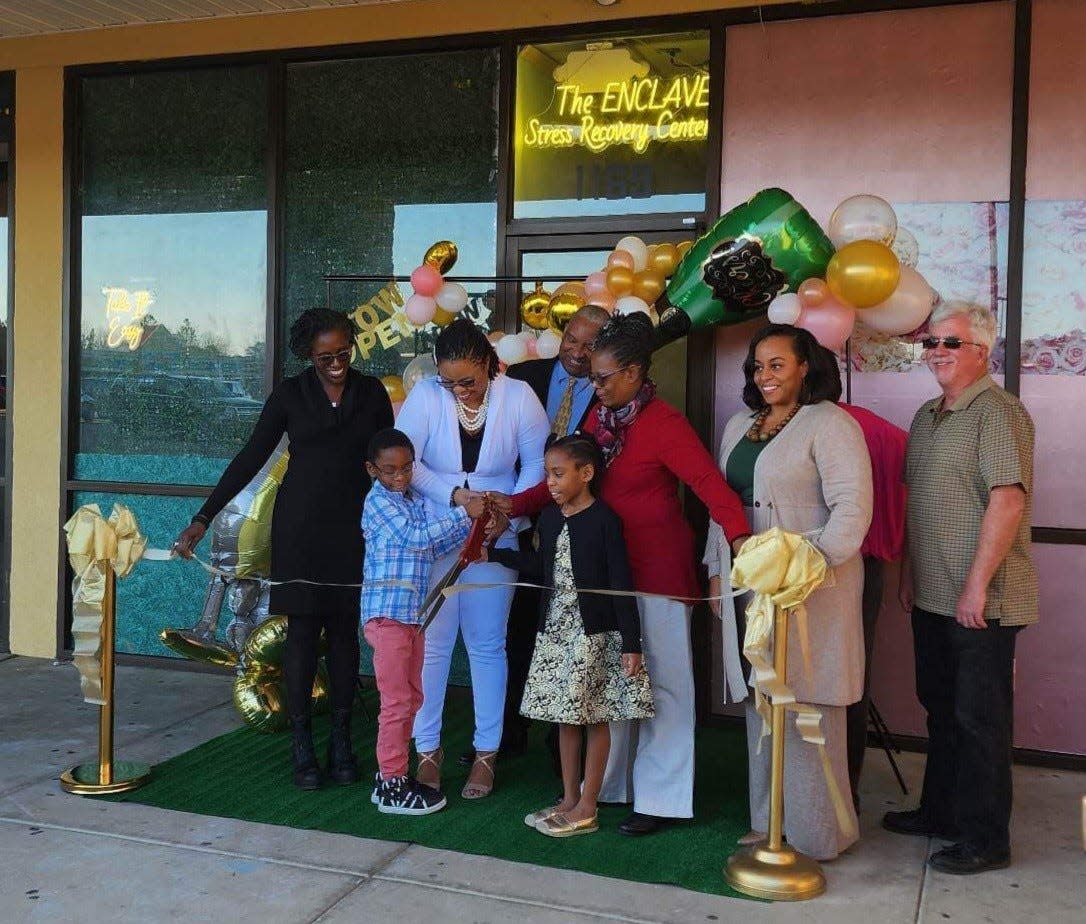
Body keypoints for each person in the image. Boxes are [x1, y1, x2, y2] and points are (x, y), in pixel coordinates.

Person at [493, 312, 751, 836]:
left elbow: (707, 483)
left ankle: (661, 797)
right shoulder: (599, 418)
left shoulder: (666, 424)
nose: (597, 385)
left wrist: (742, 535)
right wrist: (512, 504)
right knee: (612, 685)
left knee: (666, 686)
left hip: (656, 572)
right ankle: (606, 788)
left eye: (605, 377)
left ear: (635, 371)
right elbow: (561, 475)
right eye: (593, 377)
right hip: (602, 575)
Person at [174, 308, 393, 790]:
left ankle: (340, 740)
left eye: (343, 352)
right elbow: (251, 456)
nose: (336, 363)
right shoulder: (290, 395)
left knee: (342, 634)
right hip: (299, 529)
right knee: (301, 634)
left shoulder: (372, 392)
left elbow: (387, 455)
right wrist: (202, 518)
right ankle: (302, 746)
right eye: (324, 357)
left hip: (354, 529)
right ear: (307, 357)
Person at [705, 323, 872, 861]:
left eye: (778, 364)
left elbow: (852, 512)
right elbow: (722, 503)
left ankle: (818, 835)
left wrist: (802, 564)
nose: (766, 375)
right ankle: (767, 822)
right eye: (758, 366)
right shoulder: (738, 425)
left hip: (812, 590)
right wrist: (716, 568)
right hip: (749, 588)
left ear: (805, 367)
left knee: (809, 702)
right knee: (764, 699)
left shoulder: (832, 424)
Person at [883, 301, 1037, 875]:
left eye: (951, 343)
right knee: (941, 711)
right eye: (930, 343)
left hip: (982, 601)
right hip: (932, 595)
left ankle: (985, 838)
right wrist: (908, 575)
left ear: (982, 351)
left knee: (980, 720)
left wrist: (975, 589)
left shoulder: (1000, 413)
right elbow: (916, 506)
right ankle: (940, 812)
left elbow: (1007, 499)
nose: (938, 353)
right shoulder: (926, 416)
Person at [396, 318, 550, 799]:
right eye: (449, 381)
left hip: (497, 532)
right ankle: (427, 750)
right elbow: (407, 464)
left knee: (487, 645)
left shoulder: (520, 395)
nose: (458, 390)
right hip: (436, 530)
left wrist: (510, 511)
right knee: (434, 644)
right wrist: (457, 496)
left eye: (468, 380)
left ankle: (487, 753)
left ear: (488, 364)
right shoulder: (425, 396)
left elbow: (540, 464)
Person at [487, 433, 654, 838]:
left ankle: (588, 804)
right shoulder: (548, 517)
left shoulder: (604, 521)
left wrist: (631, 644)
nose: (551, 483)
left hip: (593, 636)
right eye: (548, 474)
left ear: (587, 473)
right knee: (564, 719)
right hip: (556, 633)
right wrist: (494, 553)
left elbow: (620, 584)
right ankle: (567, 798)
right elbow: (542, 565)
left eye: (559, 474)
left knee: (594, 718)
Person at [497, 304, 610, 763]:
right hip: (523, 524)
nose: (577, 353)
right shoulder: (523, 376)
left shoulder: (610, 392)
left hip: (575, 526)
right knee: (517, 628)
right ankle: (509, 732)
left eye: (589, 345)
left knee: (570, 630)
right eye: (572, 340)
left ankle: (558, 738)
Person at [361, 428, 486, 815]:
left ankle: (396, 776)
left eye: (406, 469)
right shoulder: (378, 504)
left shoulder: (411, 499)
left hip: (412, 618)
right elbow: (417, 538)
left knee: (413, 697)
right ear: (372, 470)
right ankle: (390, 784)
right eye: (390, 471)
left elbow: (433, 546)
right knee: (397, 702)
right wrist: (465, 512)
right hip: (388, 618)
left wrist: (473, 531)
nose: (399, 477)